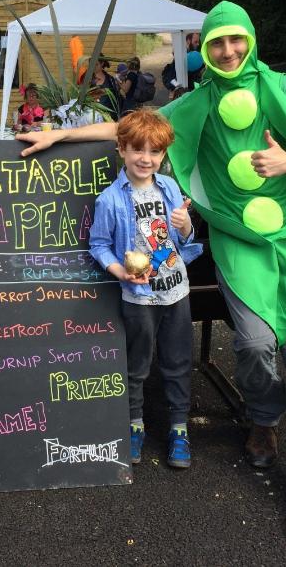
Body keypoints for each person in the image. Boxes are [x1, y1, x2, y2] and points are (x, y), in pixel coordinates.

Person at [17, 1, 286, 540]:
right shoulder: (194, 104)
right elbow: (128, 129)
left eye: (236, 40)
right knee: (253, 344)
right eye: (218, 42)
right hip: (240, 243)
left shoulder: (285, 90)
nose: (228, 51)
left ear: (251, 39)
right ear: (205, 50)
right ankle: (263, 418)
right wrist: (58, 135)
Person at [89, 109, 202, 469]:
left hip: (176, 292)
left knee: (177, 361)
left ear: (163, 155)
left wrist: (185, 227)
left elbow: (183, 241)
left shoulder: (169, 188)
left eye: (155, 152)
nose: (146, 158)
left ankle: (179, 428)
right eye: (138, 149)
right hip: (137, 296)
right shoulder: (111, 199)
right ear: (121, 149)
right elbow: (99, 244)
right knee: (137, 365)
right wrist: (120, 270)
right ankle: (134, 423)